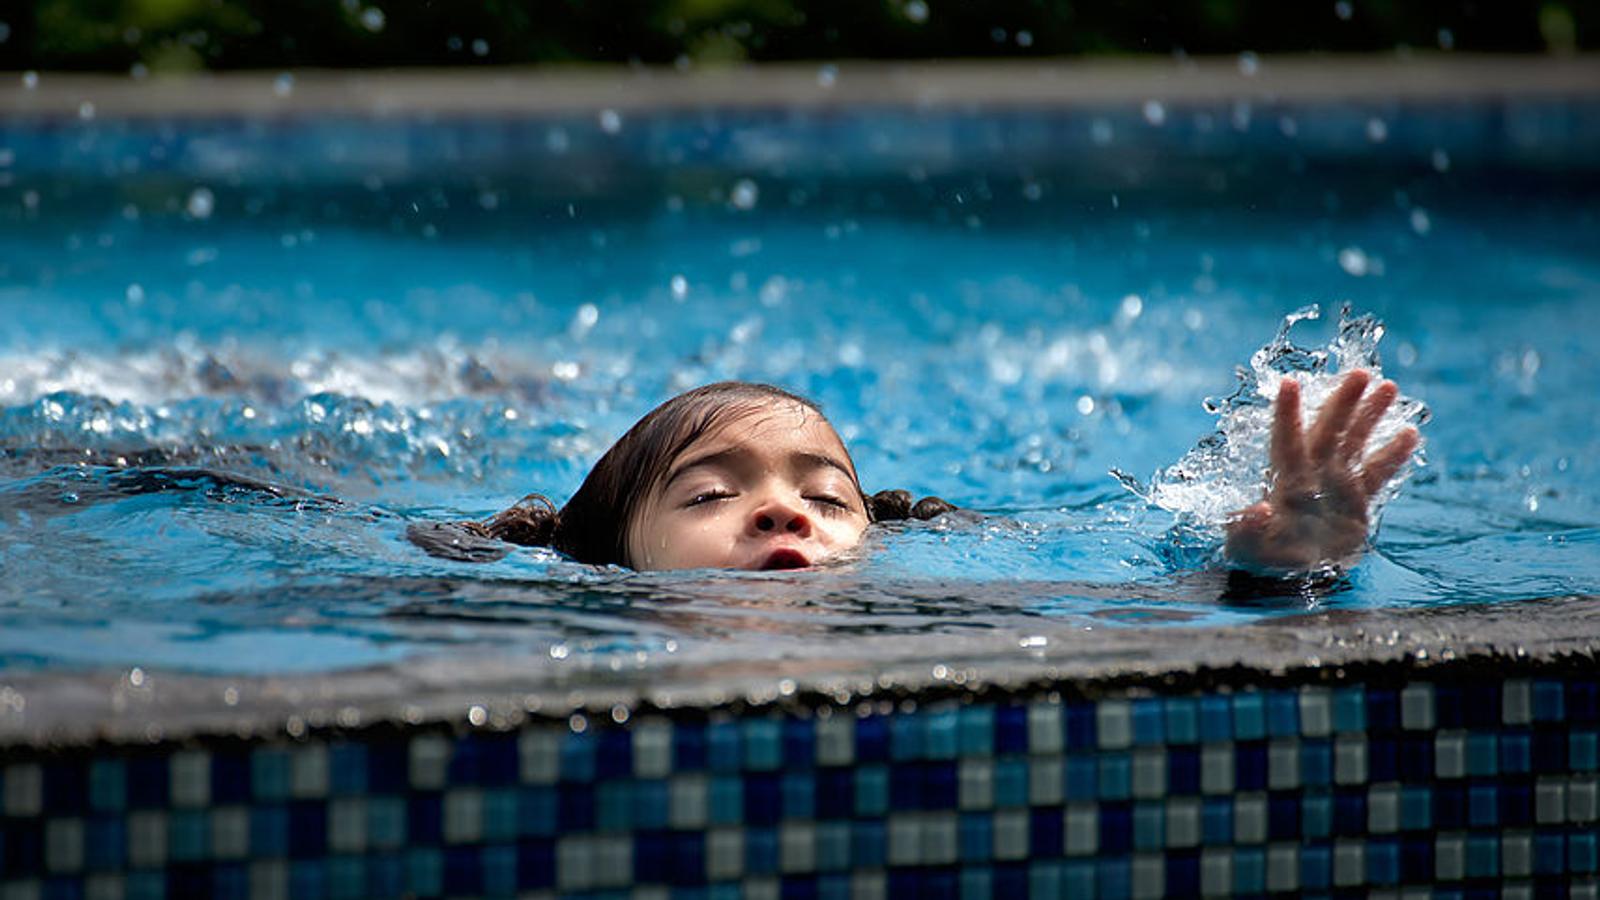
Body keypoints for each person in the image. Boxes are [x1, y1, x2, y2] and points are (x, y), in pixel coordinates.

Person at [413, 373, 1418, 575]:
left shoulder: (936, 615)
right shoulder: (555, 626)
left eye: (824, 497)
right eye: (712, 493)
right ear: (609, 557)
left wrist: (1284, 568)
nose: (779, 510)